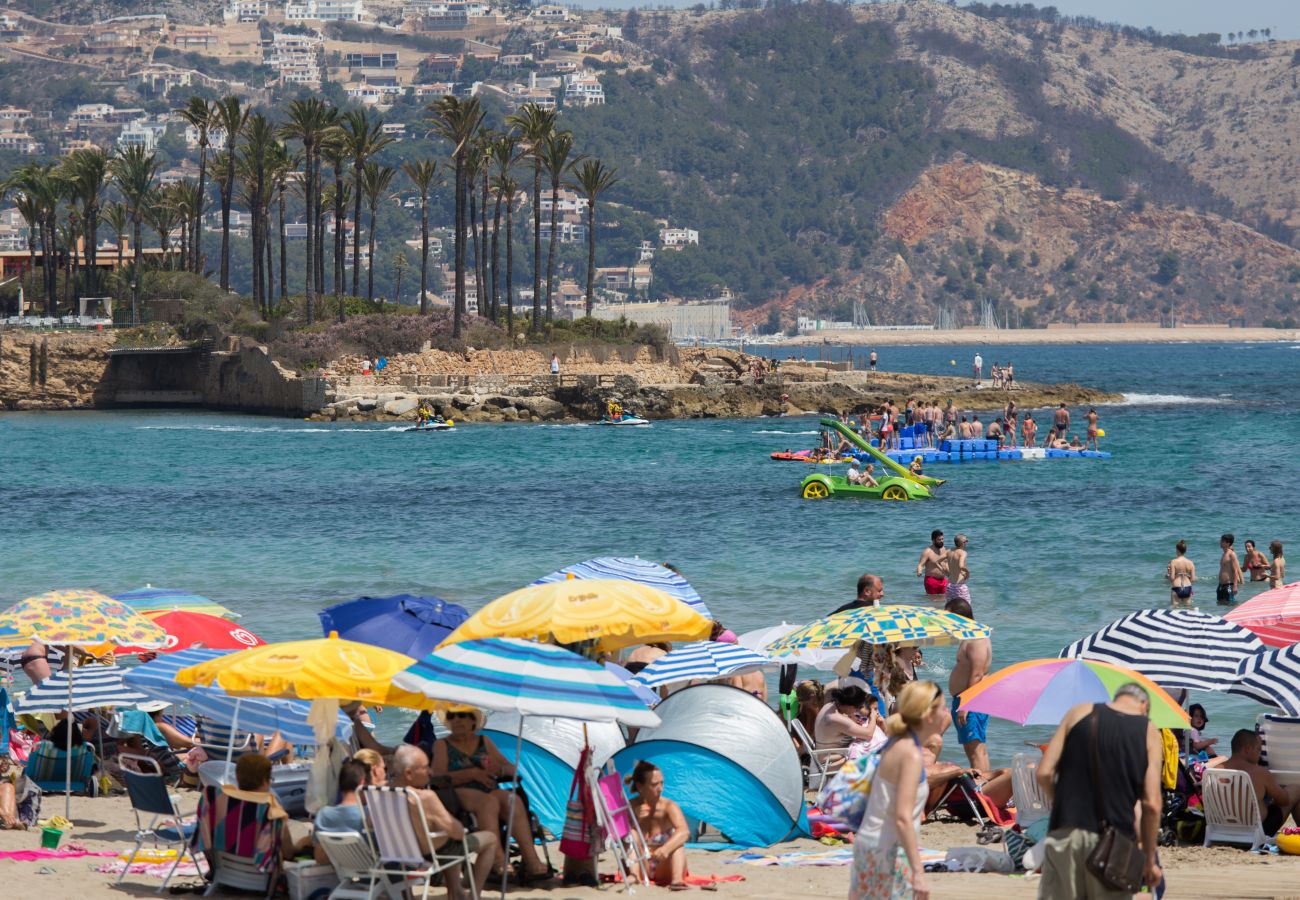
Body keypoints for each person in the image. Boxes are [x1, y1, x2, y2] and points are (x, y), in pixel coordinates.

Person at [1036, 683, 1163, 899]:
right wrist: (1149, 861)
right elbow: (1152, 804)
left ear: (1117, 697)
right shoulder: (1148, 730)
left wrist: (1063, 806)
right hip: (1116, 844)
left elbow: (1044, 773)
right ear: (1144, 706)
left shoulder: (1078, 712)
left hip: (1066, 832)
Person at [849, 681, 949, 900]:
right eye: (942, 707)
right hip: (887, 852)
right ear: (928, 715)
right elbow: (902, 818)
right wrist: (918, 872)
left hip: (871, 847)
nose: (946, 713)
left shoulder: (897, 743)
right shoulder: (910, 754)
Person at [430, 707, 553, 885]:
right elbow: (437, 776)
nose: (456, 719)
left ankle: (532, 860)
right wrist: (472, 773)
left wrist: (499, 769)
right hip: (457, 791)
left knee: (513, 800)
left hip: (487, 789)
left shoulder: (484, 741)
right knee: (488, 802)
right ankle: (497, 861)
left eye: (462, 715)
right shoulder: (442, 745)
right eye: (452, 716)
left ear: (473, 720)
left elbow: (511, 768)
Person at [390, 744, 499, 900]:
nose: (431, 772)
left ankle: (455, 891)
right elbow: (458, 832)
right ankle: (474, 895)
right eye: (425, 767)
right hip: (430, 855)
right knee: (489, 839)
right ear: (408, 773)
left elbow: (371, 824)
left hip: (397, 855)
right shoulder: (425, 797)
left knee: (446, 839)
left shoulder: (380, 794)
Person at [224, 753, 314, 859]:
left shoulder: (222, 800)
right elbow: (287, 853)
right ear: (265, 782)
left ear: (238, 778)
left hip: (223, 867)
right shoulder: (272, 810)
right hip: (261, 871)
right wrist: (302, 844)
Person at [1220, 729, 1300, 836]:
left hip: (1222, 828)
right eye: (1258, 750)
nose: (1260, 755)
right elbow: (1284, 801)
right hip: (1257, 831)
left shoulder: (1214, 770)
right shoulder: (1260, 773)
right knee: (1296, 789)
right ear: (1247, 749)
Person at [945, 597, 991, 773]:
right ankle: (985, 787)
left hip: (970, 700)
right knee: (977, 749)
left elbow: (978, 673)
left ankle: (982, 791)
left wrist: (966, 705)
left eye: (949, 618)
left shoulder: (976, 638)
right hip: (967, 698)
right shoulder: (971, 635)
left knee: (975, 751)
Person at [629, 761, 689, 890]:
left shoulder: (668, 806)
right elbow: (618, 835)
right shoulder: (631, 806)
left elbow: (684, 831)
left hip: (664, 865)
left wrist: (666, 849)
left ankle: (677, 880)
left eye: (662, 783)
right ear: (640, 787)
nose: (660, 788)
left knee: (678, 845)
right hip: (641, 865)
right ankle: (634, 875)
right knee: (631, 833)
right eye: (654, 784)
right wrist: (634, 819)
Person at [313, 760, 368, 863]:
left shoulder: (324, 815)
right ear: (362, 783)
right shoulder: (369, 814)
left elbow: (319, 857)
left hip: (342, 873)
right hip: (374, 873)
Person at [813, 684, 882, 753]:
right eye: (858, 707)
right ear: (851, 706)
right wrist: (873, 717)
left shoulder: (829, 705)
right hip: (829, 759)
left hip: (822, 752)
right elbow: (868, 734)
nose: (857, 711)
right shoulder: (836, 718)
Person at [916, 529, 948, 596]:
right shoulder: (927, 551)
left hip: (943, 580)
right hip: (931, 581)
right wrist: (919, 571)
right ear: (933, 540)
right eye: (939, 540)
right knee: (932, 601)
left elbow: (946, 563)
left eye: (942, 539)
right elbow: (921, 564)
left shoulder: (944, 549)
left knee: (944, 600)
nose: (941, 541)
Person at [1166, 540, 1196, 606]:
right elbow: (1193, 579)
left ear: (1177, 550)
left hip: (1177, 587)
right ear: (1185, 551)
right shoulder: (1190, 562)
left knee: (1175, 610)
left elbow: (1172, 578)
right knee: (1188, 610)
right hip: (1188, 588)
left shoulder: (1173, 562)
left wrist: (1167, 576)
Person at [944, 534, 971, 604]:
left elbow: (938, 561)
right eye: (966, 541)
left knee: (950, 608)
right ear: (963, 543)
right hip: (960, 586)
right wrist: (968, 573)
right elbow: (961, 566)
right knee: (966, 608)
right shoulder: (963, 553)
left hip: (950, 586)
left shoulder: (949, 551)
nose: (967, 543)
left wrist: (946, 571)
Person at [1218, 533, 1243, 605]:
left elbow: (1235, 571)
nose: (1220, 542)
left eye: (1222, 541)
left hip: (1229, 585)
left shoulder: (1232, 554)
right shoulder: (1224, 554)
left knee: (1231, 604)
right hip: (1221, 585)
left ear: (1228, 543)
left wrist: (1235, 586)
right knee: (1220, 604)